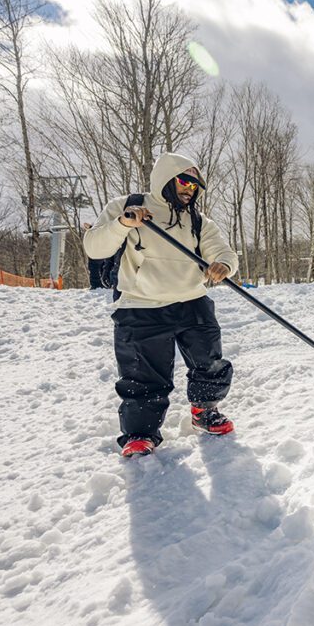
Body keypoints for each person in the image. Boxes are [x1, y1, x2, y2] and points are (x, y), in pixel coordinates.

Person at [83, 152, 239, 458]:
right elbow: (95, 246)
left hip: (192, 300)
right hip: (140, 305)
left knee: (209, 362)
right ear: (166, 178)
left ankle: (204, 412)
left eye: (195, 185)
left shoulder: (198, 220)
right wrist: (124, 223)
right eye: (184, 181)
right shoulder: (125, 206)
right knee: (143, 373)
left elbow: (222, 250)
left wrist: (223, 264)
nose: (189, 189)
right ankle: (140, 433)